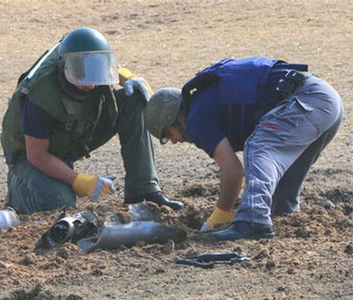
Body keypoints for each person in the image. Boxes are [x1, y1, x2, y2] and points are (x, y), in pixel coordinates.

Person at [145, 56, 343, 241]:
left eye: (167, 134)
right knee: (277, 165)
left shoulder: (196, 119)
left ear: (171, 118)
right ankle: (284, 214)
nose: (173, 141)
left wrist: (221, 215)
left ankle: (253, 220)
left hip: (307, 101)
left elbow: (233, 171)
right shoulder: (204, 103)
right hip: (324, 100)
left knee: (259, 146)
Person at [0, 27, 184, 214]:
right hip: (30, 156)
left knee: (133, 99)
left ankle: (143, 191)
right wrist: (78, 180)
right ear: (64, 68)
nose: (91, 83)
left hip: (73, 132)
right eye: (82, 73)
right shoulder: (40, 95)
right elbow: (36, 154)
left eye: (96, 69)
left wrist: (127, 77)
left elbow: (91, 59)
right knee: (60, 204)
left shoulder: (82, 62)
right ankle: (18, 189)